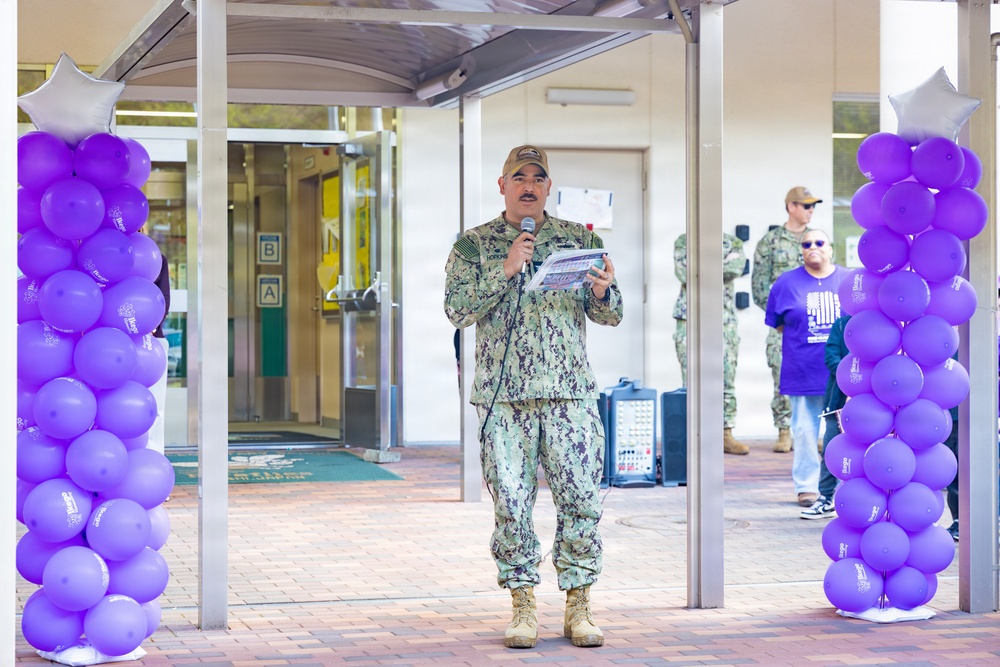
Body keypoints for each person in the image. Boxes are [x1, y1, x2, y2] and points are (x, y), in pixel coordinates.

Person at [444, 145, 622, 650]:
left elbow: (611, 315)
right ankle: (523, 607)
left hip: (570, 396)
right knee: (513, 505)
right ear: (502, 186)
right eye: (518, 176)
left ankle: (579, 604)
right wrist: (504, 268)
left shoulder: (576, 239)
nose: (528, 184)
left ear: (548, 186)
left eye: (537, 177)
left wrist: (604, 291)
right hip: (505, 402)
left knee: (582, 500)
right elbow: (457, 310)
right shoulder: (474, 245)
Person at [764, 229, 848, 507]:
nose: (813, 247)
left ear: (830, 248)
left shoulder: (848, 280)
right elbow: (778, 323)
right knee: (804, 430)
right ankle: (807, 487)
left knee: (846, 432)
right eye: (807, 243)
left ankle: (845, 485)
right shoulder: (786, 283)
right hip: (803, 370)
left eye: (819, 242)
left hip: (844, 375)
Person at [752, 186, 820, 453]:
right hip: (783, 325)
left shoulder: (818, 241)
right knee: (781, 374)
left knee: (813, 374)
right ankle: (783, 431)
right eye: (806, 205)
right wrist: (780, 314)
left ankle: (812, 431)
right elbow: (759, 287)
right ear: (790, 207)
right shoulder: (770, 242)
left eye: (813, 205)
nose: (810, 210)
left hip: (813, 323)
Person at [672, 232, 749, 455]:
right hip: (689, 316)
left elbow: (736, 267)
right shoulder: (684, 240)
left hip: (723, 318)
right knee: (691, 377)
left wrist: (698, 263)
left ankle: (725, 433)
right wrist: (717, 263)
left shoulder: (732, 241)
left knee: (726, 375)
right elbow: (683, 272)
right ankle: (692, 434)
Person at [800, 312, 850, 519]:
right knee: (831, 450)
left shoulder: (886, 326)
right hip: (838, 402)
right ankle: (826, 498)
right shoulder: (841, 325)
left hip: (875, 406)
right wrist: (856, 377)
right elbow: (831, 358)